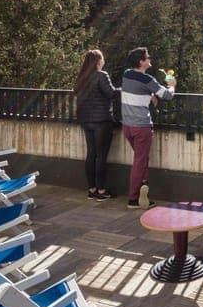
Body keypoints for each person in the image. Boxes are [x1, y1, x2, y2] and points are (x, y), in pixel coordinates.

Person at [121, 46, 176, 209]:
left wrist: (149, 95)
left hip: (127, 126)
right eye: (148, 57)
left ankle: (143, 193)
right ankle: (133, 198)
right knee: (139, 161)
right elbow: (167, 95)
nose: (150, 59)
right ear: (141, 62)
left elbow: (134, 90)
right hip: (141, 127)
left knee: (142, 159)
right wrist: (172, 85)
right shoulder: (147, 80)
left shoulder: (126, 75)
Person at [73, 49, 117, 201]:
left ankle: (91, 189)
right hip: (101, 121)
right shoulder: (101, 75)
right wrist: (123, 90)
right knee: (101, 156)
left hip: (85, 120)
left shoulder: (81, 78)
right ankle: (101, 190)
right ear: (99, 61)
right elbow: (111, 93)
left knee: (91, 153)